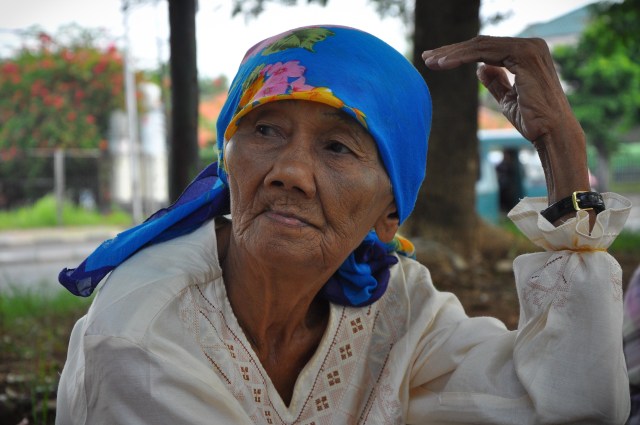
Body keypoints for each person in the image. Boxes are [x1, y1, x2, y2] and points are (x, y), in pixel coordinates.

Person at [55, 26, 632, 424]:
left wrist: (563, 154)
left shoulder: (390, 304)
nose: (289, 172)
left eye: (337, 147)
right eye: (264, 131)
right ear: (227, 160)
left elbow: (566, 403)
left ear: (389, 215)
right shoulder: (142, 328)